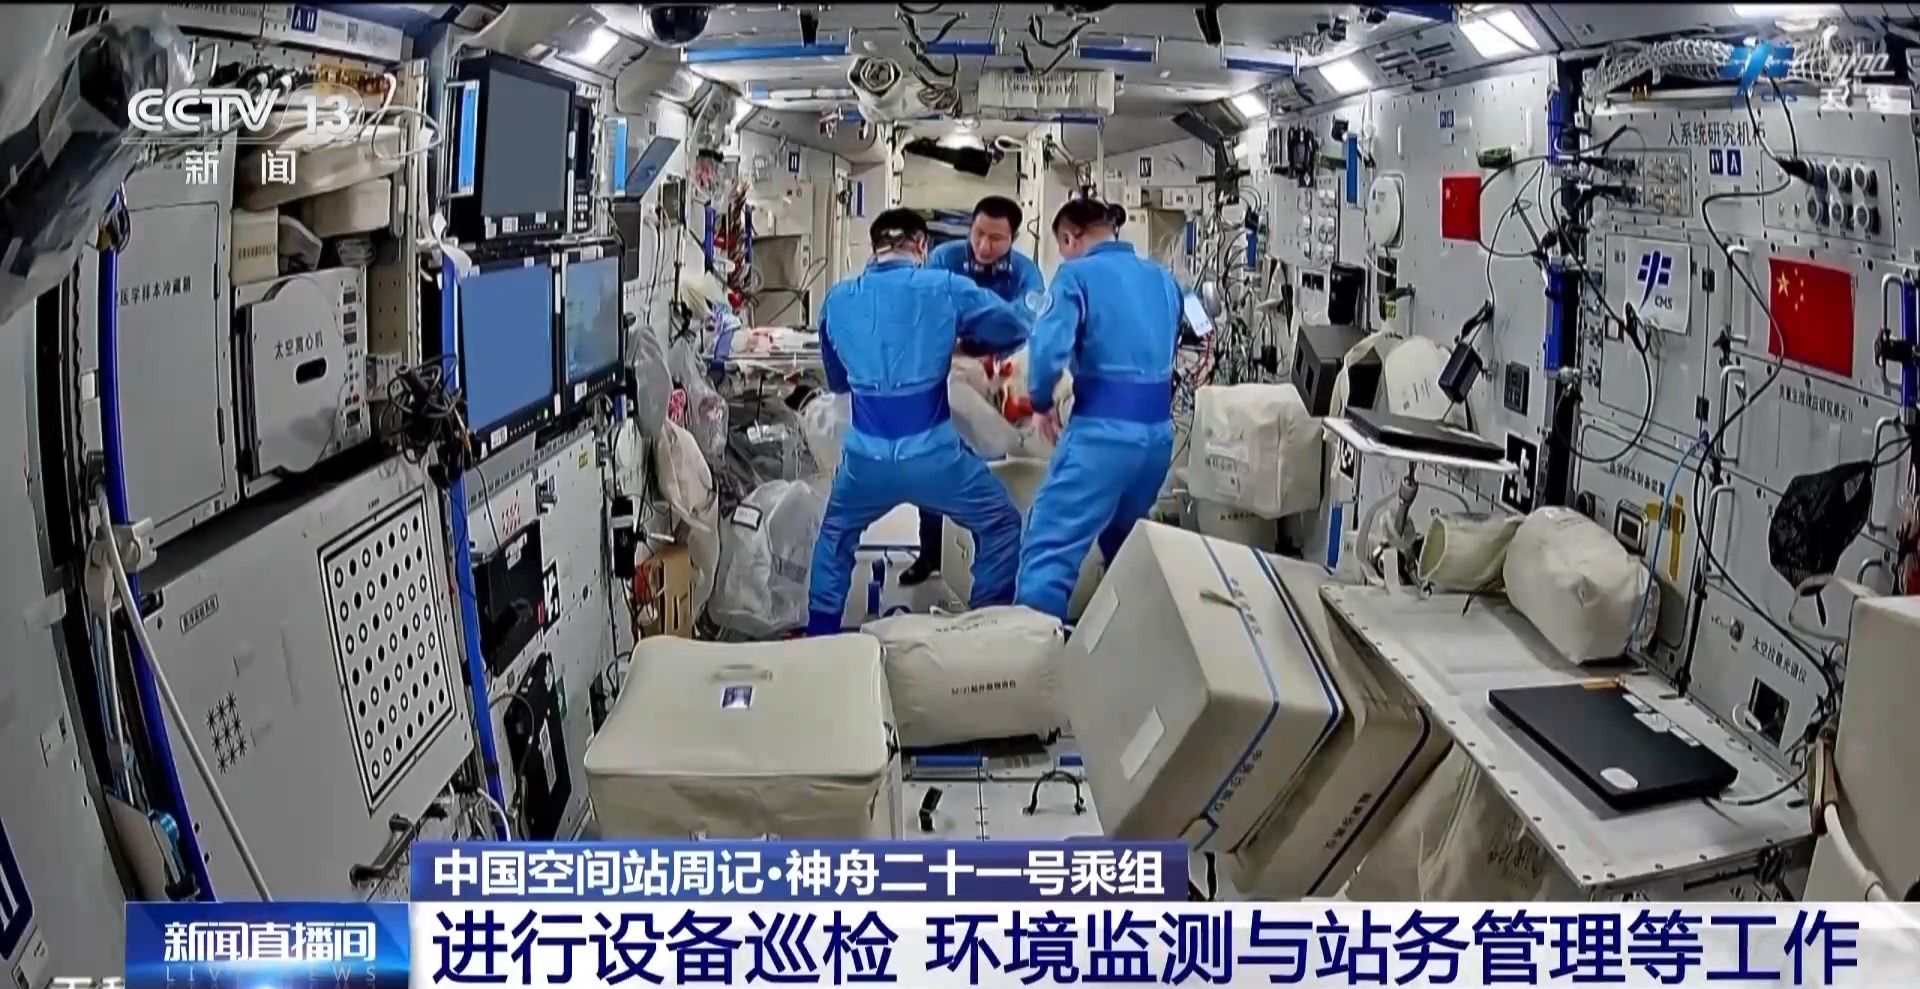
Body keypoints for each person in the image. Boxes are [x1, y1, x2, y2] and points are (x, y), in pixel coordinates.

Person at [805, 208, 1030, 635]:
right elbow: (1014, 327)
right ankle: (986, 631)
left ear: (874, 247)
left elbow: (838, 384)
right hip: (935, 459)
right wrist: (964, 340)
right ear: (922, 246)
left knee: (835, 537)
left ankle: (820, 636)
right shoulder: (945, 286)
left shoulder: (837, 299)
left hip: (865, 462)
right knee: (1001, 523)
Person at [1016, 199, 1180, 621]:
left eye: (1062, 247)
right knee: (1125, 544)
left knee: (1050, 546)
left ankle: (1033, 649)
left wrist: (1041, 402)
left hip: (1102, 438)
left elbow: (1047, 349)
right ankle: (1129, 638)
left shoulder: (1075, 276)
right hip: (1157, 439)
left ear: (1070, 238)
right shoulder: (1162, 278)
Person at [899, 195, 1046, 587]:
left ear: (1013, 237)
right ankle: (930, 552)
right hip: (946, 372)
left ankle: (987, 559)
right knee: (935, 463)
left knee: (991, 468)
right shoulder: (944, 259)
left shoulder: (1025, 273)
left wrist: (970, 332)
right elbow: (925, 312)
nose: (983, 245)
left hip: (997, 378)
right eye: (978, 233)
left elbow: (1026, 323)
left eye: (995, 239)